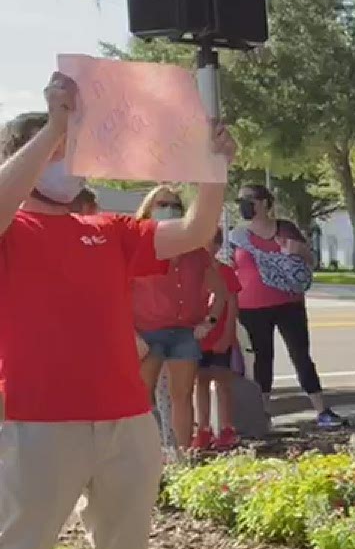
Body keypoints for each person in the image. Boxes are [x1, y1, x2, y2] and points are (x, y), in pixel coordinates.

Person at [0, 72, 236, 549]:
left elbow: (196, 228)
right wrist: (52, 128)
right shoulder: (15, 225)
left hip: (128, 424)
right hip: (39, 424)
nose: (72, 162)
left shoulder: (109, 228)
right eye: (58, 150)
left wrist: (212, 168)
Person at [231, 183, 343, 429]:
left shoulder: (285, 229)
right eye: (240, 201)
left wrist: (299, 250)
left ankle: (321, 410)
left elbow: (310, 261)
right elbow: (228, 270)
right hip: (251, 307)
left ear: (264, 203)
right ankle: (263, 413)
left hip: (288, 303)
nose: (243, 206)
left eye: (248, 200)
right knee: (262, 360)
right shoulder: (237, 236)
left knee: (301, 355)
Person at [130, 185, 221, 451]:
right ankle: (150, 454)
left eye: (175, 206)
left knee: (182, 397)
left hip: (184, 331)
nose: (169, 210)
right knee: (143, 399)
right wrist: (130, 332)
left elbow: (220, 291)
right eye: (162, 204)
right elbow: (118, 291)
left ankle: (183, 456)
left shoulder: (194, 250)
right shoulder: (135, 245)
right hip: (146, 330)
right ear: (148, 209)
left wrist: (210, 321)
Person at [191, 229, 244, 453]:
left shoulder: (225, 272)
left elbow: (232, 304)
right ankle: (203, 428)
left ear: (218, 246)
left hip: (220, 334)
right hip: (197, 337)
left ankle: (226, 427)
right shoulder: (192, 273)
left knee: (222, 382)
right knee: (200, 382)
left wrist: (227, 335)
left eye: (210, 244)